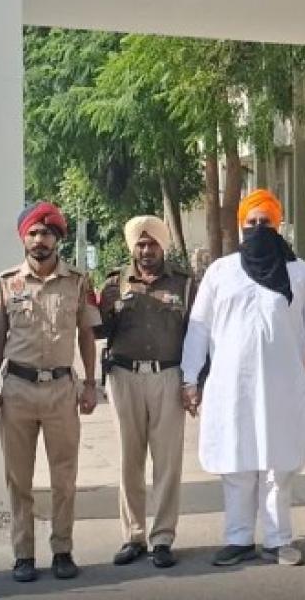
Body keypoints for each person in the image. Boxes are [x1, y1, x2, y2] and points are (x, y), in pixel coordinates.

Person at [182, 189, 305, 568]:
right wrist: (189, 377)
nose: (259, 228)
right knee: (237, 462)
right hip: (232, 386)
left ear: (278, 225)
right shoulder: (221, 271)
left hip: (283, 385)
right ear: (241, 226)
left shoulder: (298, 272)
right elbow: (199, 327)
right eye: (252, 223)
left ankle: (279, 540)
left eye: (266, 222)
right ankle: (238, 539)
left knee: (278, 465)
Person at [0, 202, 102, 583]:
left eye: (46, 233)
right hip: (17, 390)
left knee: (64, 477)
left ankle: (62, 549)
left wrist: (90, 384)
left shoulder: (78, 281)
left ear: (57, 238)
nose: (39, 240)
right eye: (32, 233)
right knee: (18, 479)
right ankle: (23, 554)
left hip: (61, 390)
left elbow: (86, 335)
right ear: (24, 238)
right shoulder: (5, 282)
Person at [100, 216, 194, 569]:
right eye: (140, 244)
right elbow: (97, 331)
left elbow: (197, 334)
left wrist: (194, 382)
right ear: (132, 247)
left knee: (167, 462)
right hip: (124, 376)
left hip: (167, 376)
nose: (146, 250)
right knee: (129, 459)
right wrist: (107, 307)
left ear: (162, 245)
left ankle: (163, 538)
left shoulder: (184, 283)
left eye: (152, 243)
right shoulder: (115, 281)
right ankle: (133, 536)